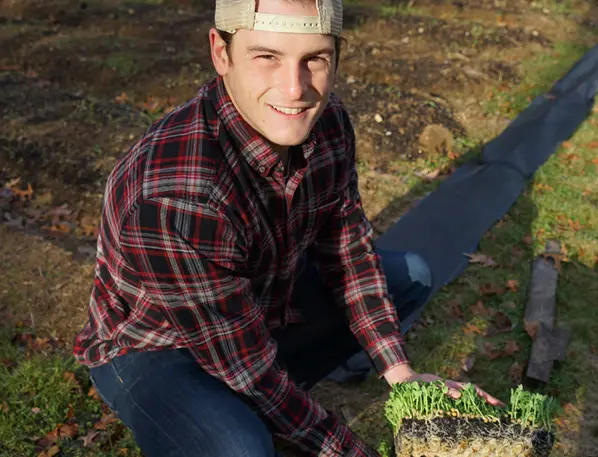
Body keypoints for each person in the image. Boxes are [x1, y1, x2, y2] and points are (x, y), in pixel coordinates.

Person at [72, 0, 502, 456]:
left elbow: (348, 252)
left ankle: (298, 380)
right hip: (158, 347)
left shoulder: (329, 124)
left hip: (258, 308)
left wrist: (402, 375)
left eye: (314, 59)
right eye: (267, 57)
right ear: (221, 53)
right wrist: (348, 450)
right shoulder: (176, 193)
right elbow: (247, 367)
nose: (295, 89)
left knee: (410, 275)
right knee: (240, 448)